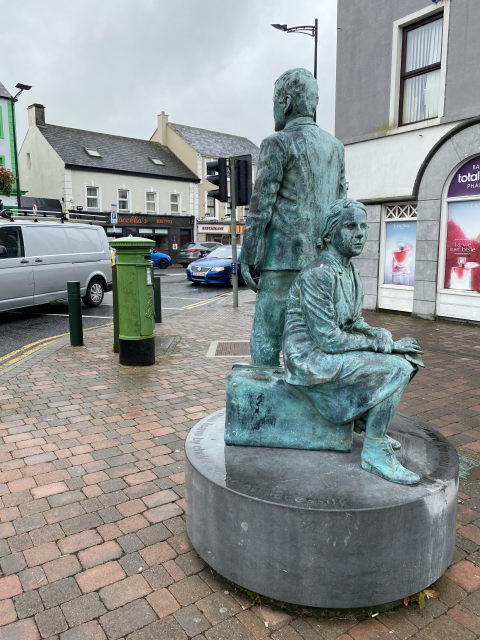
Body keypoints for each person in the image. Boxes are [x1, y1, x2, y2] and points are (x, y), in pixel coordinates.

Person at [282, 198, 423, 485]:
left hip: (329, 348)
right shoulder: (319, 273)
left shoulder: (351, 272)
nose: (359, 234)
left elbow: (354, 321)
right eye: (350, 227)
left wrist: (380, 334)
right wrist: (380, 346)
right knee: (395, 368)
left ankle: (370, 427)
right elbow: (328, 339)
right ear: (330, 232)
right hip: (310, 357)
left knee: (408, 359)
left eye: (363, 226)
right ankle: (374, 450)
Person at [241, 68, 346, 366]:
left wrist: (248, 255)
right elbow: (341, 206)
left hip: (282, 261)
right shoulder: (335, 148)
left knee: (267, 334)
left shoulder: (277, 143)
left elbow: (261, 207)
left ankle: (264, 389)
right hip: (323, 262)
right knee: (315, 336)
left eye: (275, 102)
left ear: (285, 103)